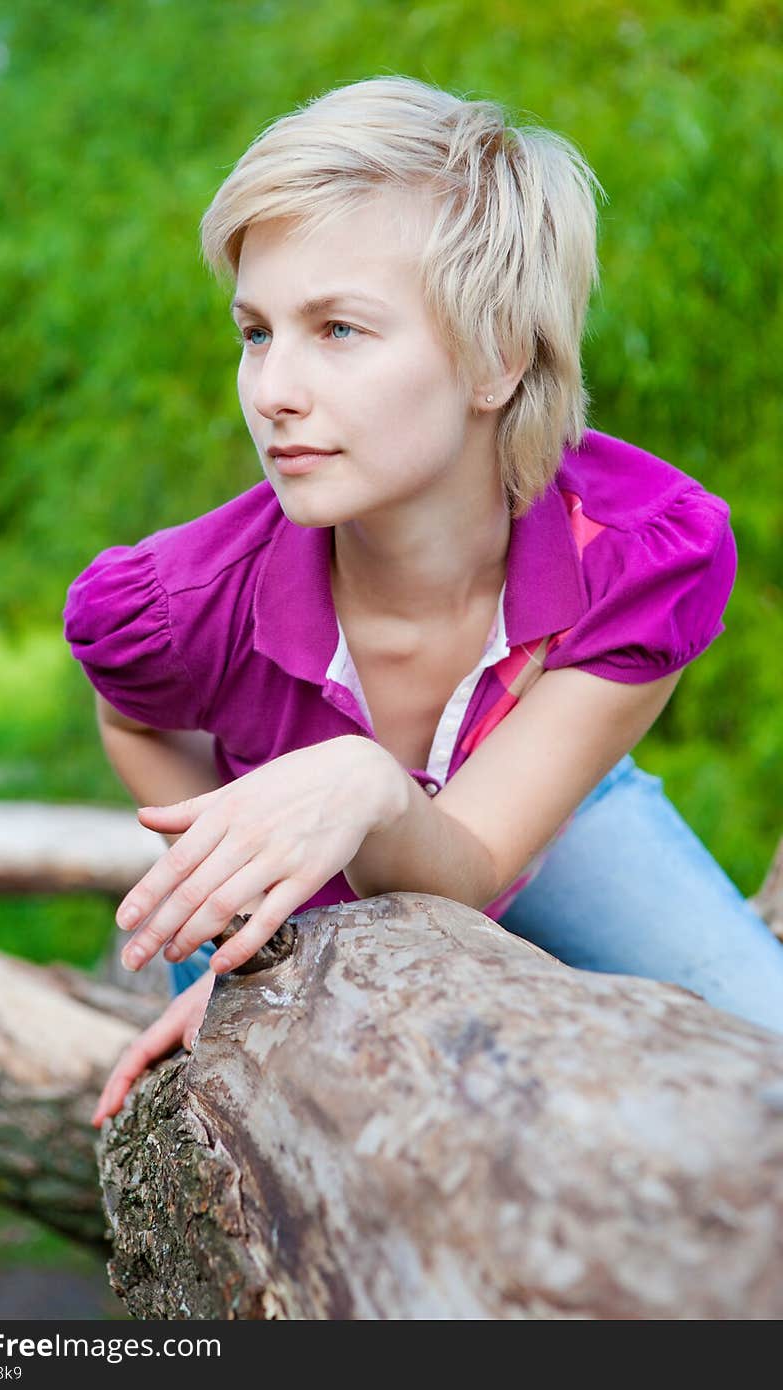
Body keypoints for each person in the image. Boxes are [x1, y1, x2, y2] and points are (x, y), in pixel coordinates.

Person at [64, 76, 783, 1123]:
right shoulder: (184, 600)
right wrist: (232, 908)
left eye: (339, 329)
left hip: (541, 813)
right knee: (278, 1148)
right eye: (256, 331)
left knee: (758, 1046)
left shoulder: (640, 554)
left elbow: (481, 855)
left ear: (495, 358)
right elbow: (129, 709)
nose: (272, 391)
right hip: (295, 850)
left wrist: (371, 781)